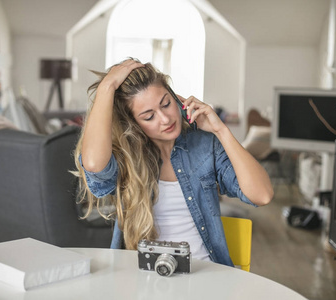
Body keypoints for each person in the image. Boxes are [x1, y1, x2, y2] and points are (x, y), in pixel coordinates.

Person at [74, 58, 273, 267]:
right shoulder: (127, 157)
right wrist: (107, 86)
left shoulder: (205, 146)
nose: (165, 119)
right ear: (134, 123)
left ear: (177, 98)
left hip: (205, 276)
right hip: (143, 280)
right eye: (149, 116)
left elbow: (262, 195)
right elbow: (95, 165)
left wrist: (221, 130)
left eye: (166, 104)